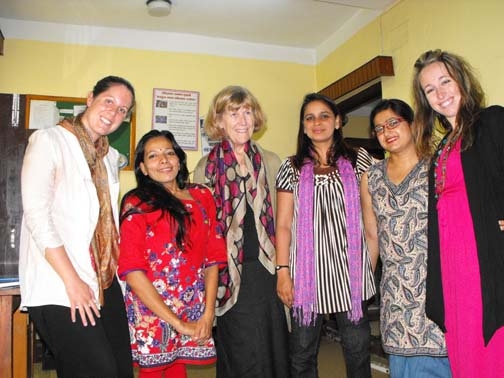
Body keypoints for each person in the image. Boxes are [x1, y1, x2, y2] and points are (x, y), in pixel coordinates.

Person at [19, 76, 135, 377]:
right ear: (90, 98)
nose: (114, 112)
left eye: (123, 109)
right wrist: (72, 282)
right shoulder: (49, 141)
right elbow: (37, 216)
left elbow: (103, 222)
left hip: (103, 280)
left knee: (120, 369)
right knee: (98, 370)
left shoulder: (109, 157)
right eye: (109, 101)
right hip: (61, 282)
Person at [412, 49, 504, 378]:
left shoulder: (491, 120)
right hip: (452, 266)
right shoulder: (443, 145)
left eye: (445, 81)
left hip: (484, 260)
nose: (440, 93)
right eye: (430, 89)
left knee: (492, 347)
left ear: (461, 81)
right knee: (463, 346)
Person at [275, 92, 375, 378]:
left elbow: (369, 218)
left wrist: (368, 265)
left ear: (338, 121)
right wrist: (283, 272)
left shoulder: (360, 160)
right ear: (303, 126)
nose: (317, 122)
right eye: (310, 117)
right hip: (306, 277)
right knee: (302, 354)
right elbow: (283, 225)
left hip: (351, 275)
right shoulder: (290, 167)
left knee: (357, 352)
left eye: (324, 116)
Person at [193, 85, 289, 378]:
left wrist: (285, 269)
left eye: (247, 112)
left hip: (266, 269)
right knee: (240, 353)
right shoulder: (205, 168)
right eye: (233, 114)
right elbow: (203, 232)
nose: (242, 120)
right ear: (219, 121)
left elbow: (286, 220)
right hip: (229, 275)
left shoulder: (271, 161)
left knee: (275, 349)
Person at [117, 130, 227, 378]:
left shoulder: (202, 196)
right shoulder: (137, 203)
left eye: (169, 152)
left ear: (179, 158)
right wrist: (177, 323)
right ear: (143, 168)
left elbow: (213, 258)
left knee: (178, 369)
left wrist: (208, 313)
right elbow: (132, 270)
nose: (164, 160)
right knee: (154, 372)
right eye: (153, 156)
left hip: (192, 305)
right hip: (151, 308)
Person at [360, 99, 451, 377]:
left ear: (411, 124)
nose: (386, 131)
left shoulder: (438, 167)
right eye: (378, 128)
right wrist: (362, 287)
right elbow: (372, 235)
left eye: (393, 123)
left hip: (437, 284)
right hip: (395, 291)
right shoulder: (371, 178)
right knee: (402, 365)